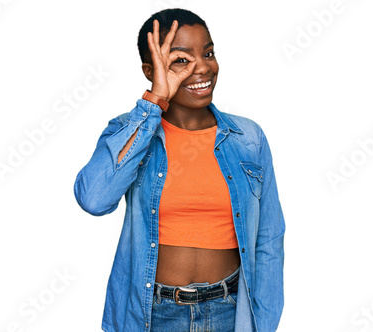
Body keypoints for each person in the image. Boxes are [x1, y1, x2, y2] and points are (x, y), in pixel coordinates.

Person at [73, 8, 285, 332]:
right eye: (181, 60)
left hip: (230, 312)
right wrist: (154, 101)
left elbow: (269, 238)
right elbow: (93, 198)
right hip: (153, 315)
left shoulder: (248, 138)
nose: (203, 67)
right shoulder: (129, 132)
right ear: (150, 69)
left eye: (208, 53)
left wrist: (264, 323)